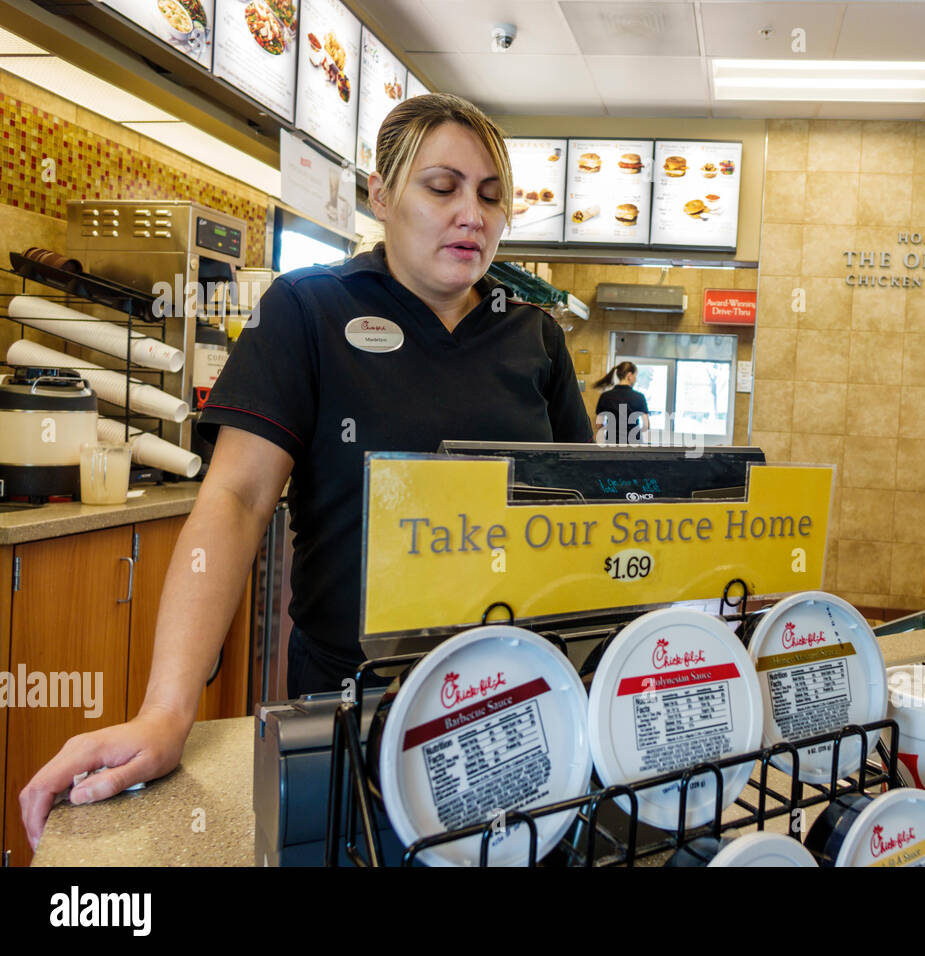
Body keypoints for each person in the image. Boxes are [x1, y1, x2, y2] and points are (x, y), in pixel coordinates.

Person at [19, 92, 592, 849]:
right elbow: (235, 499)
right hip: (355, 701)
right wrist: (166, 710)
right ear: (382, 196)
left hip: (515, 695)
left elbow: (578, 511)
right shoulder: (309, 310)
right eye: (442, 186)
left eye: (492, 196)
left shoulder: (532, 335)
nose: (473, 215)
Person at [594, 361, 650, 444]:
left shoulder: (605, 396)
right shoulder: (639, 397)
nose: (635, 379)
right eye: (635, 376)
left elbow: (599, 424)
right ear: (629, 376)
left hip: (612, 443)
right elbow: (646, 425)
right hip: (633, 444)